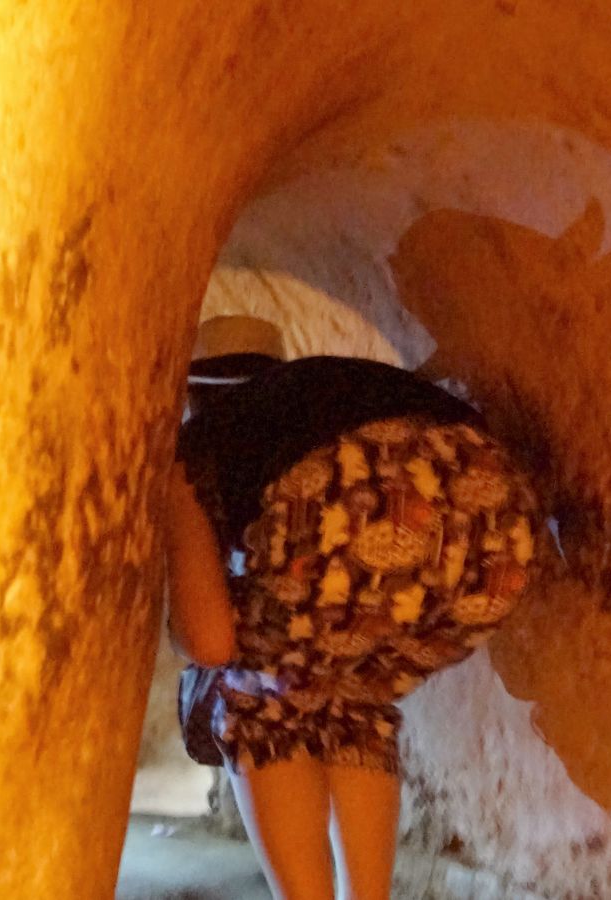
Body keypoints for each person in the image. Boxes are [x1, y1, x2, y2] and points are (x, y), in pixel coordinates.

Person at [164, 316, 539, 900]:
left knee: (260, 695)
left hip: (343, 502)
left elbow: (209, 641)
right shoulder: (315, 394)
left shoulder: (200, 445)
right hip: (496, 523)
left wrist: (180, 628)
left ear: (191, 397)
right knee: (352, 695)